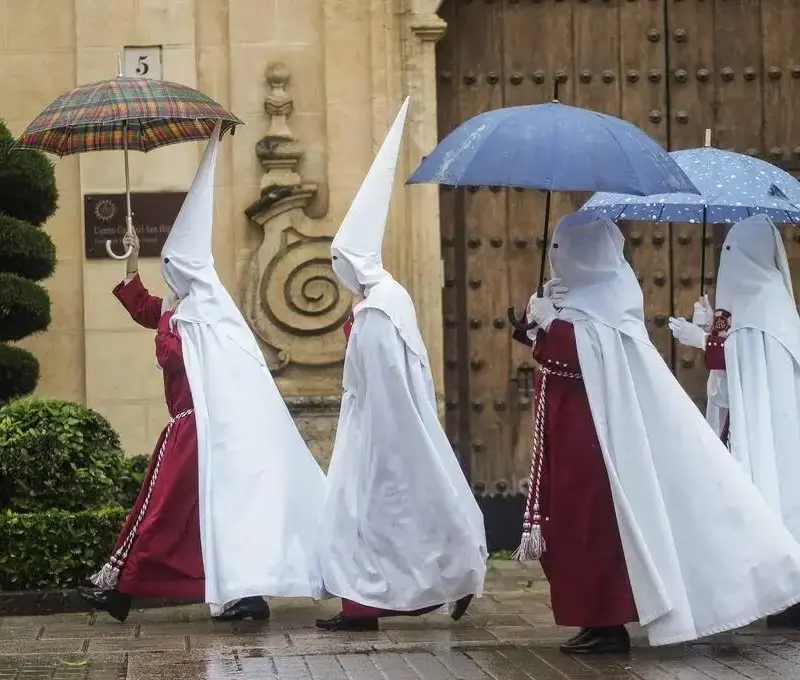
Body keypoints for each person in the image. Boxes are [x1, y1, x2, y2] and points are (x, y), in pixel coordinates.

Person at [512, 209, 800, 654]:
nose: (555, 255)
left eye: (561, 246)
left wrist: (552, 325)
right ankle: (593, 619)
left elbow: (580, 359)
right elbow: (561, 355)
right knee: (569, 526)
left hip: (597, 443)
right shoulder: (573, 298)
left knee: (593, 528)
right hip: (568, 434)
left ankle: (607, 623)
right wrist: (536, 328)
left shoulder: (607, 299)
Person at [78, 121, 328, 622]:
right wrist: (131, 265)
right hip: (190, 428)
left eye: (170, 266)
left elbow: (175, 346)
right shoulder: (188, 309)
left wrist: (169, 331)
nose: (167, 274)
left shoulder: (205, 316)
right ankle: (156, 588)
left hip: (202, 429)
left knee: (166, 509)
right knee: (183, 512)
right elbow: (154, 313)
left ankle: (124, 585)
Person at [315, 98, 487, 632]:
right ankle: (366, 602)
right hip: (380, 427)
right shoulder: (387, 297)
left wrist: (375, 438)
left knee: (384, 514)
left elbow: (375, 379)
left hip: (380, 431)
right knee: (396, 513)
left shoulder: (377, 308)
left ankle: (416, 588)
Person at [670, 213, 800, 628]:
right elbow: (733, 370)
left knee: (777, 496)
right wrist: (712, 330)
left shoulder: (767, 305)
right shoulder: (752, 304)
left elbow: (753, 361)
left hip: (772, 431)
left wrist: (706, 342)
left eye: (731, 255)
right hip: (746, 425)